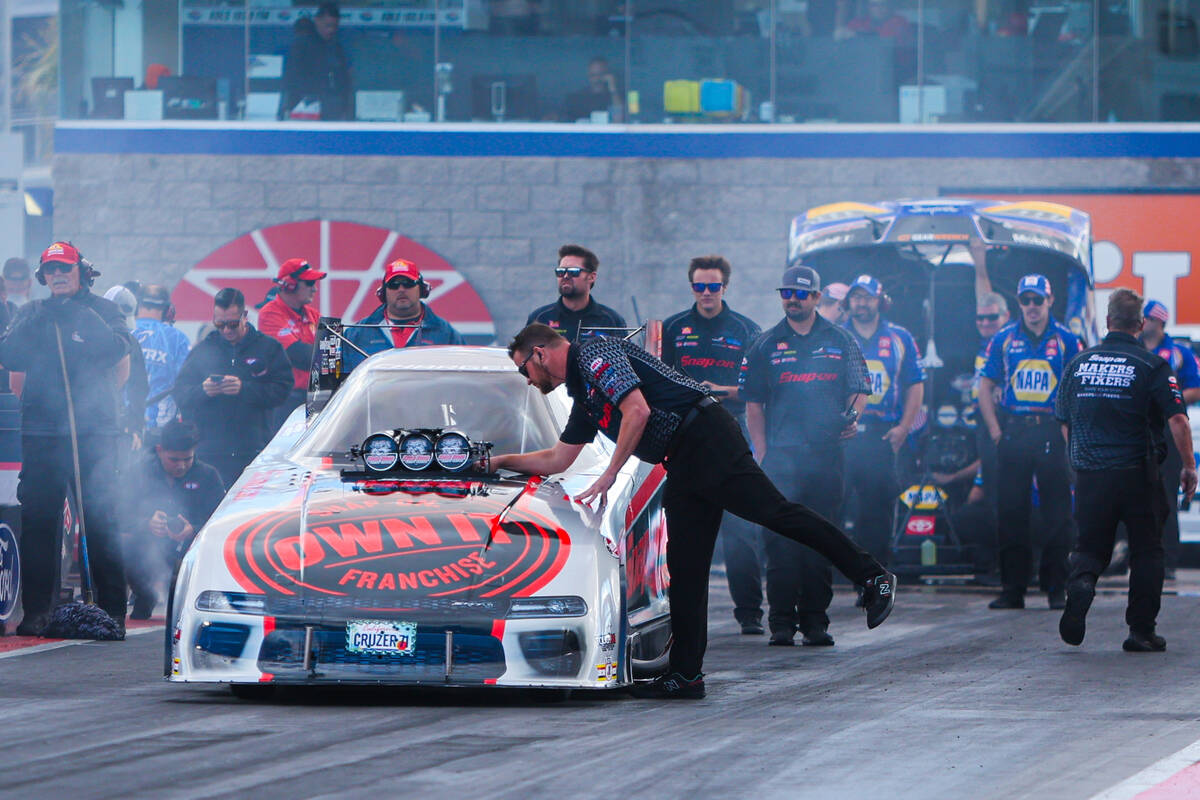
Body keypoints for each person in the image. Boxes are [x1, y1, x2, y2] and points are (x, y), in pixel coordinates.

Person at [492, 323, 896, 699]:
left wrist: (610, 475)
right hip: (682, 456)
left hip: (706, 436)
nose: (528, 379)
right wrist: (495, 463)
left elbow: (638, 411)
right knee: (685, 565)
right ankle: (686, 674)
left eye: (524, 368)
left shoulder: (595, 352)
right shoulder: (585, 395)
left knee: (777, 514)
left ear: (540, 353)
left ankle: (873, 576)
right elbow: (558, 458)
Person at [0, 242, 134, 637]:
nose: (58, 275)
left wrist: (78, 316)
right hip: (41, 433)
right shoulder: (32, 312)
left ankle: (112, 611)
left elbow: (116, 349)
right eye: (51, 270)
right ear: (43, 277)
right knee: (39, 522)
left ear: (81, 272)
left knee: (101, 520)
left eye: (65, 269)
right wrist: (37, 320)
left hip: (94, 434)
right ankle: (38, 611)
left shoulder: (104, 311)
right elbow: (10, 355)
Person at [1056, 289, 1197, 652]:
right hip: (1138, 474)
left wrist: (1078, 461)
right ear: (1139, 324)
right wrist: (1189, 467)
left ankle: (1083, 582)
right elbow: (1179, 420)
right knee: (1148, 551)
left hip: (1090, 474)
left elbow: (1064, 421)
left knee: (1089, 548)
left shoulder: (1078, 364)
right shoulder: (1152, 365)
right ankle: (1141, 631)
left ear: (1107, 322)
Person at [740, 265, 870, 647]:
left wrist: (853, 418)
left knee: (822, 538)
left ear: (816, 298)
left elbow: (860, 385)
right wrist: (762, 453)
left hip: (827, 457)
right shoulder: (765, 343)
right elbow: (753, 404)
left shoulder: (840, 339)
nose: (792, 299)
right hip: (781, 459)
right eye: (787, 293)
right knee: (779, 542)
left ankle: (816, 621)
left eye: (800, 294)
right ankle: (781, 622)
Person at [661, 255, 764, 635]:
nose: (706, 293)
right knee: (681, 528)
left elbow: (757, 389)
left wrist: (716, 391)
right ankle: (676, 614)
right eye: (699, 286)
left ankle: (750, 611)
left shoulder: (747, 330)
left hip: (731, 430)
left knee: (740, 526)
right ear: (691, 287)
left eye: (714, 287)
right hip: (683, 434)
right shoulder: (672, 329)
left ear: (725, 287)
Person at [978, 274, 1083, 610]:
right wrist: (995, 430)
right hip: (1015, 429)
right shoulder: (1004, 339)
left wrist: (1068, 433)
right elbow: (984, 385)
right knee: (1010, 511)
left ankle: (1056, 588)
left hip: (1051, 430)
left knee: (1058, 512)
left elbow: (1076, 389)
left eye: (1038, 300)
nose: (1032, 307)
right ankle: (1013, 589)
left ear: (1050, 301)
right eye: (1026, 300)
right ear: (1019, 303)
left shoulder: (1067, 339)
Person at [841, 274, 925, 562]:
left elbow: (915, 384)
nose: (861, 303)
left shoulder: (900, 337)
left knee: (877, 510)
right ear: (848, 301)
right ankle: (824, 579)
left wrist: (904, 428)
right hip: (843, 436)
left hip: (881, 434)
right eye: (856, 297)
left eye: (867, 297)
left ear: (880, 301)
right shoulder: (835, 335)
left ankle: (874, 582)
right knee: (832, 506)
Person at [174, 289, 292, 489]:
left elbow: (282, 390)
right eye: (220, 324)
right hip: (209, 451)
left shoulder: (268, 348)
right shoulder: (204, 349)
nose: (226, 330)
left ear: (244, 316)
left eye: (232, 324)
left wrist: (244, 389)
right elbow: (180, 393)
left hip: (252, 449)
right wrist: (203, 391)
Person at [124, 420, 225, 619]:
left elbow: (221, 521)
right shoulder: (139, 472)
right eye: (174, 459)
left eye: (187, 459)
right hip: (148, 546)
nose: (181, 466)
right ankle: (144, 594)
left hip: (190, 549)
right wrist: (146, 523)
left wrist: (193, 529)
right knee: (123, 540)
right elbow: (119, 513)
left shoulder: (208, 475)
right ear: (160, 450)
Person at [1140, 299, 1200, 578]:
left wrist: (1166, 399)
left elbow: (1195, 389)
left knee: (1165, 493)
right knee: (1133, 493)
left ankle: (1169, 560)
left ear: (1159, 321)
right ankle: (1132, 555)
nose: (1144, 323)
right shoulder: (1134, 347)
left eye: (1148, 319)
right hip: (1138, 428)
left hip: (1168, 427)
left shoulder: (1178, 352)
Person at [342, 259, 464, 372]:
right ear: (384, 292)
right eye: (394, 284)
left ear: (421, 289)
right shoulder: (356, 334)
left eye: (408, 283)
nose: (401, 289)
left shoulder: (446, 334)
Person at [257, 258, 327, 427]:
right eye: (309, 283)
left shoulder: (314, 315)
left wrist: (322, 354)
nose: (314, 288)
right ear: (290, 284)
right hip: (284, 400)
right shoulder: (269, 313)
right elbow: (297, 356)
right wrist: (321, 353)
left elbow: (333, 357)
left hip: (316, 397)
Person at [526, 244, 627, 341]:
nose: (565, 276)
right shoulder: (540, 318)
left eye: (573, 271)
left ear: (591, 277)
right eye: (560, 271)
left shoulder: (611, 320)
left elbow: (625, 357)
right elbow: (523, 356)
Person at [279, 2, 353, 121]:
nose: (331, 30)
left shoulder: (337, 48)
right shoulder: (302, 45)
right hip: (305, 109)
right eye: (327, 25)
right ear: (317, 21)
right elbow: (292, 78)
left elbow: (345, 80)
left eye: (334, 26)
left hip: (333, 109)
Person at [135, 285, 191, 432]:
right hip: (162, 431)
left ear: (138, 305)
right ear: (167, 310)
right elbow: (186, 384)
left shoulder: (124, 332)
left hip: (126, 426)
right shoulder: (178, 339)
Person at [104, 285, 149, 449]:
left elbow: (139, 387)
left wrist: (135, 426)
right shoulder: (87, 334)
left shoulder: (131, 343)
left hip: (118, 424)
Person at [564, 57, 624, 122]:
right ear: (588, 75)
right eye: (593, 75)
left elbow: (619, 119)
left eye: (600, 75)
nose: (596, 79)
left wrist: (613, 88)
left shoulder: (614, 97)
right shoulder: (577, 98)